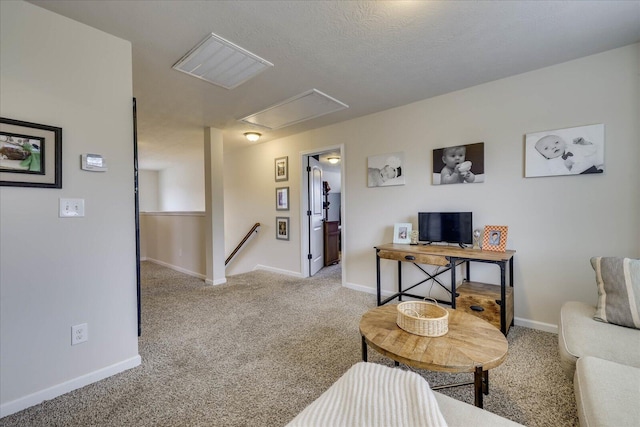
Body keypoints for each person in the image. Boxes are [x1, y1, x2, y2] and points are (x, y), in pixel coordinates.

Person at [534, 135, 603, 174]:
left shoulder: (572, 148)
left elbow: (591, 150)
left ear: (564, 142)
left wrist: (584, 143)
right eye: (546, 148)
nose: (553, 147)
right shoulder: (552, 163)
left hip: (592, 169)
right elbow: (558, 175)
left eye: (556, 142)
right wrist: (568, 167)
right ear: (544, 155)